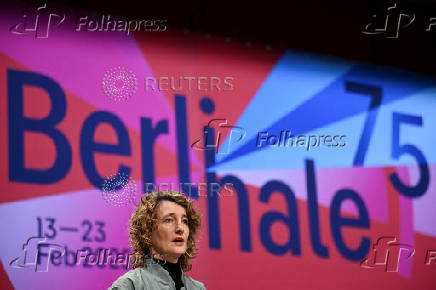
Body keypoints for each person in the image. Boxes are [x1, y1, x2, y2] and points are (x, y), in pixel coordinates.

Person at [109, 191, 206, 290]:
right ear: (147, 231)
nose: (180, 228)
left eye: (184, 221)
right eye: (169, 220)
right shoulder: (130, 285)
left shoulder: (198, 288)